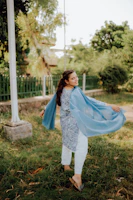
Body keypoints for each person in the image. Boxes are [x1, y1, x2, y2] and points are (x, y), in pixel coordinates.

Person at [40, 70, 126, 191]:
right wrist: (109, 106)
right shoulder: (73, 91)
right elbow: (89, 102)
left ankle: (66, 165)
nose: (77, 80)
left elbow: (54, 101)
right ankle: (77, 176)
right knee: (82, 147)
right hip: (75, 122)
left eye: (76, 77)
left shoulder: (66, 89)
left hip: (65, 121)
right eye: (73, 78)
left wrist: (45, 110)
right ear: (66, 81)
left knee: (67, 142)